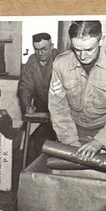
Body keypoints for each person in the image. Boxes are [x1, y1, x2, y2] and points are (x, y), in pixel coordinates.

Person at [49, 21, 106, 160]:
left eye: (89, 50)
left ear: (101, 40)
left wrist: (99, 142)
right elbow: (58, 108)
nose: (83, 56)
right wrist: (71, 142)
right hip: (73, 132)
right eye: (77, 49)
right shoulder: (61, 64)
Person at [17, 32, 62, 161]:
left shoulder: (61, 58)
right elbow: (25, 86)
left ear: (52, 46)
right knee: (37, 141)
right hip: (41, 107)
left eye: (44, 49)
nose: (40, 53)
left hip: (62, 109)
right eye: (37, 50)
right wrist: (27, 105)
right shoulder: (31, 60)